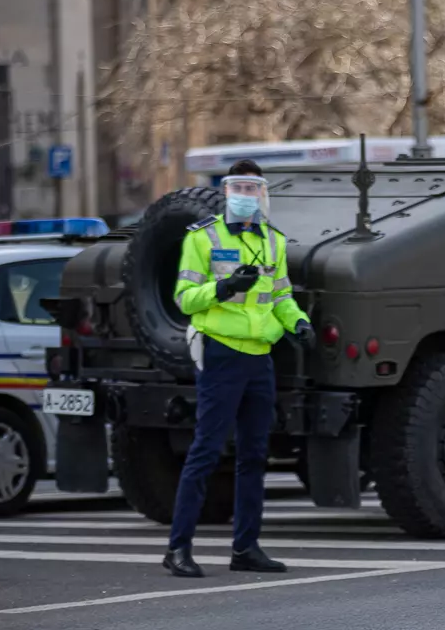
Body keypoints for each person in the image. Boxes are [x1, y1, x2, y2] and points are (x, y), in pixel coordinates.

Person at [163, 159, 316, 577]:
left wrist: (299, 323)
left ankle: (245, 548)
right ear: (227, 192)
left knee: (254, 455)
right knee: (206, 450)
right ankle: (178, 548)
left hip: (259, 358)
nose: (245, 196)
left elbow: (281, 297)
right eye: (238, 189)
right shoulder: (203, 237)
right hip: (222, 354)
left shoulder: (273, 241)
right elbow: (185, 298)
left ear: (261, 194)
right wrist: (223, 287)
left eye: (252, 189)